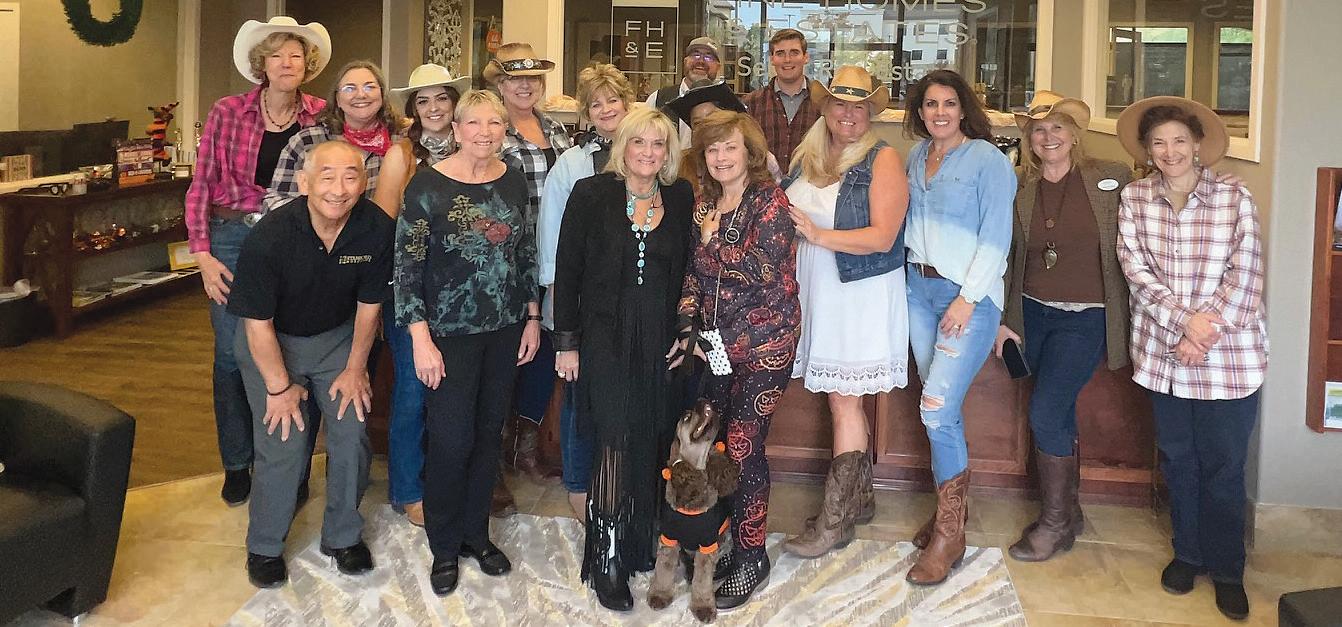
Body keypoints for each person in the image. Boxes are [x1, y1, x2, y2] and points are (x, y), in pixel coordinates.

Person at [1115, 96, 1267, 621]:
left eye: (1180, 140)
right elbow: (1136, 271)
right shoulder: (1135, 198)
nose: (1170, 151)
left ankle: (1227, 570)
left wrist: (1202, 332)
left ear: (1198, 144)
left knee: (1223, 467)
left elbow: (1246, 273)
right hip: (1164, 354)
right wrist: (1184, 323)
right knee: (1178, 460)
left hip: (1229, 357)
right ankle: (1188, 554)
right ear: (1147, 150)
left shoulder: (1233, 196)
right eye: (1159, 142)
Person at [394, 90, 542, 597]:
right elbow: (406, 268)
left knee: (487, 435)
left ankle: (477, 535)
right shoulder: (427, 185)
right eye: (473, 123)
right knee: (450, 440)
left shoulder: (513, 180)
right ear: (456, 130)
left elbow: (525, 252)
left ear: (505, 130)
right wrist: (420, 338)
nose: (484, 132)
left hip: (504, 330)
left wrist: (532, 317)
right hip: (447, 336)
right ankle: (444, 545)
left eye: (494, 123)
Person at [228, 140, 393, 588]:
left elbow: (369, 308)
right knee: (283, 440)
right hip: (271, 344)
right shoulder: (270, 237)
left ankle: (343, 536)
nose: (339, 189)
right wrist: (280, 389)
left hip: (337, 340)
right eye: (327, 176)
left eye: (351, 177)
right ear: (303, 183)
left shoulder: (376, 228)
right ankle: (265, 545)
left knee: (351, 431)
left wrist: (356, 368)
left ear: (364, 182)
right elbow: (257, 325)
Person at [552, 107, 694, 611]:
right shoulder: (591, 193)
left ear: (668, 152)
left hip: (659, 340)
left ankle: (639, 542)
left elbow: (691, 272)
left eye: (658, 144)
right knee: (613, 439)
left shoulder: (681, 196)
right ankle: (606, 556)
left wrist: (687, 330)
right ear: (623, 146)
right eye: (639, 142)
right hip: (603, 339)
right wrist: (566, 343)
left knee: (651, 437)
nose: (648, 153)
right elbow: (567, 269)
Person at [185, 16, 329, 505]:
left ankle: (292, 468)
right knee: (232, 353)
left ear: (307, 64)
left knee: (294, 354)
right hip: (232, 237)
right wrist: (202, 254)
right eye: (276, 55)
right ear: (261, 64)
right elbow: (201, 184)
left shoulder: (321, 116)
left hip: (296, 239)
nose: (287, 63)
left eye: (296, 55)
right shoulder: (228, 111)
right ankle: (237, 461)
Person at [779, 66, 910, 561]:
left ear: (870, 113)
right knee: (842, 400)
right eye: (840, 104)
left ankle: (834, 522)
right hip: (817, 288)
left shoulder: (883, 158)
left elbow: (883, 236)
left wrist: (818, 236)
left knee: (844, 402)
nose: (849, 114)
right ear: (826, 108)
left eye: (859, 106)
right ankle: (860, 498)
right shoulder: (809, 155)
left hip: (858, 293)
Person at [995, 91, 1133, 563]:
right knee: (1058, 410)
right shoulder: (1019, 186)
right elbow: (1010, 256)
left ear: (1075, 134)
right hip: (1032, 313)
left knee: (1046, 411)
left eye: (1057, 127)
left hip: (1087, 316)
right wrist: (1005, 320)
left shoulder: (1112, 177)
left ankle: (1054, 523)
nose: (1048, 137)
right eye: (1038, 129)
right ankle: (1069, 514)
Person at [674, 110, 800, 610]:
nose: (721, 157)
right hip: (717, 347)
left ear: (749, 153)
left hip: (766, 346)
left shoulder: (770, 201)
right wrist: (687, 322)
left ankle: (753, 556)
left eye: (730, 147)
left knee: (745, 447)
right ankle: (718, 538)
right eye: (712, 149)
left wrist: (709, 243)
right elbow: (692, 273)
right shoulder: (704, 202)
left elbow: (760, 269)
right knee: (715, 442)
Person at [901, 69, 1015, 585]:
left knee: (936, 409)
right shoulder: (916, 156)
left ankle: (950, 534)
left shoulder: (988, 160)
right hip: (917, 291)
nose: (940, 112)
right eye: (931, 104)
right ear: (920, 112)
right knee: (939, 412)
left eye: (949, 103)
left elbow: (997, 236)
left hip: (964, 298)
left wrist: (968, 300)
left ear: (964, 108)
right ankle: (950, 515)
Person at [373, 63, 470, 527]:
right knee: (412, 392)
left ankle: (446, 481)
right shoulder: (402, 156)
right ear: (413, 108)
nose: (433, 108)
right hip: (411, 290)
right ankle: (408, 488)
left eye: (442, 98)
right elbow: (384, 226)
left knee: (450, 393)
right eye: (423, 101)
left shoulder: (471, 148)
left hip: (461, 294)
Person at [536, 62, 634, 522]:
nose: (607, 109)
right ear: (586, 113)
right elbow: (551, 235)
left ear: (628, 104)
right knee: (579, 396)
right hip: (580, 300)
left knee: (625, 396)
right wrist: (560, 304)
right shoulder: (572, 164)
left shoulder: (646, 153)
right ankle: (578, 482)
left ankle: (621, 483)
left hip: (631, 301)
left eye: (614, 100)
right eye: (597, 104)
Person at [485, 42, 574, 501]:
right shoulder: (490, 130)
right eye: (514, 77)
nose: (524, 85)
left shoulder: (556, 130)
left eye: (532, 77)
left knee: (543, 352)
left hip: (551, 257)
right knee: (504, 355)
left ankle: (525, 445)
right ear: (500, 83)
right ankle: (492, 457)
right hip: (506, 259)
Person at [263, 60, 406, 214]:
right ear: (337, 99)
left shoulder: (402, 141)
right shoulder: (306, 141)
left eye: (369, 87)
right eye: (350, 88)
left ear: (382, 95)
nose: (361, 94)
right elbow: (275, 200)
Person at [664, 80, 782, 193]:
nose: (705, 128)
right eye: (697, 123)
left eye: (712, 119)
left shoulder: (761, 160)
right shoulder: (680, 165)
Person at [742, 28, 821, 170]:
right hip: (764, 183)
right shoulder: (751, 103)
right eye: (780, 53)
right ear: (772, 59)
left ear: (806, 57)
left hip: (811, 182)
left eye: (794, 52)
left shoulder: (822, 103)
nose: (787, 59)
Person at [646, 36, 722, 147]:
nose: (701, 61)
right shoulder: (657, 99)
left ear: (718, 67)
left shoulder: (725, 105)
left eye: (708, 57)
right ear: (685, 61)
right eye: (695, 55)